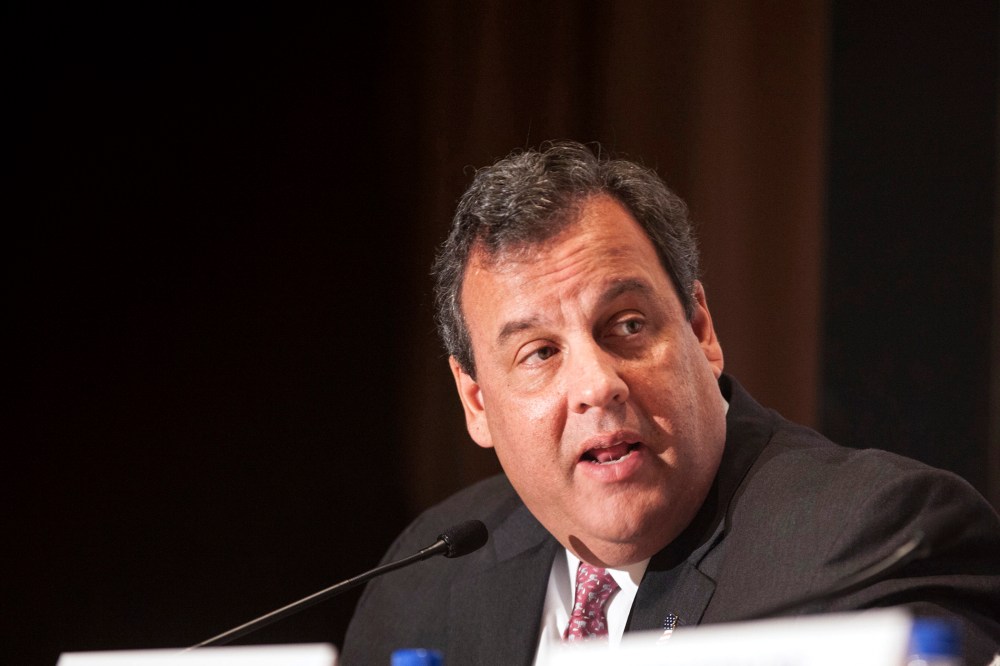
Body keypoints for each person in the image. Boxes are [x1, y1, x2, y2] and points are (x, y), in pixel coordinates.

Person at [340, 141, 1000, 665]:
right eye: (539, 353)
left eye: (627, 325)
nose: (597, 385)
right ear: (477, 401)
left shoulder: (868, 540)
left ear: (701, 330)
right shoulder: (422, 580)